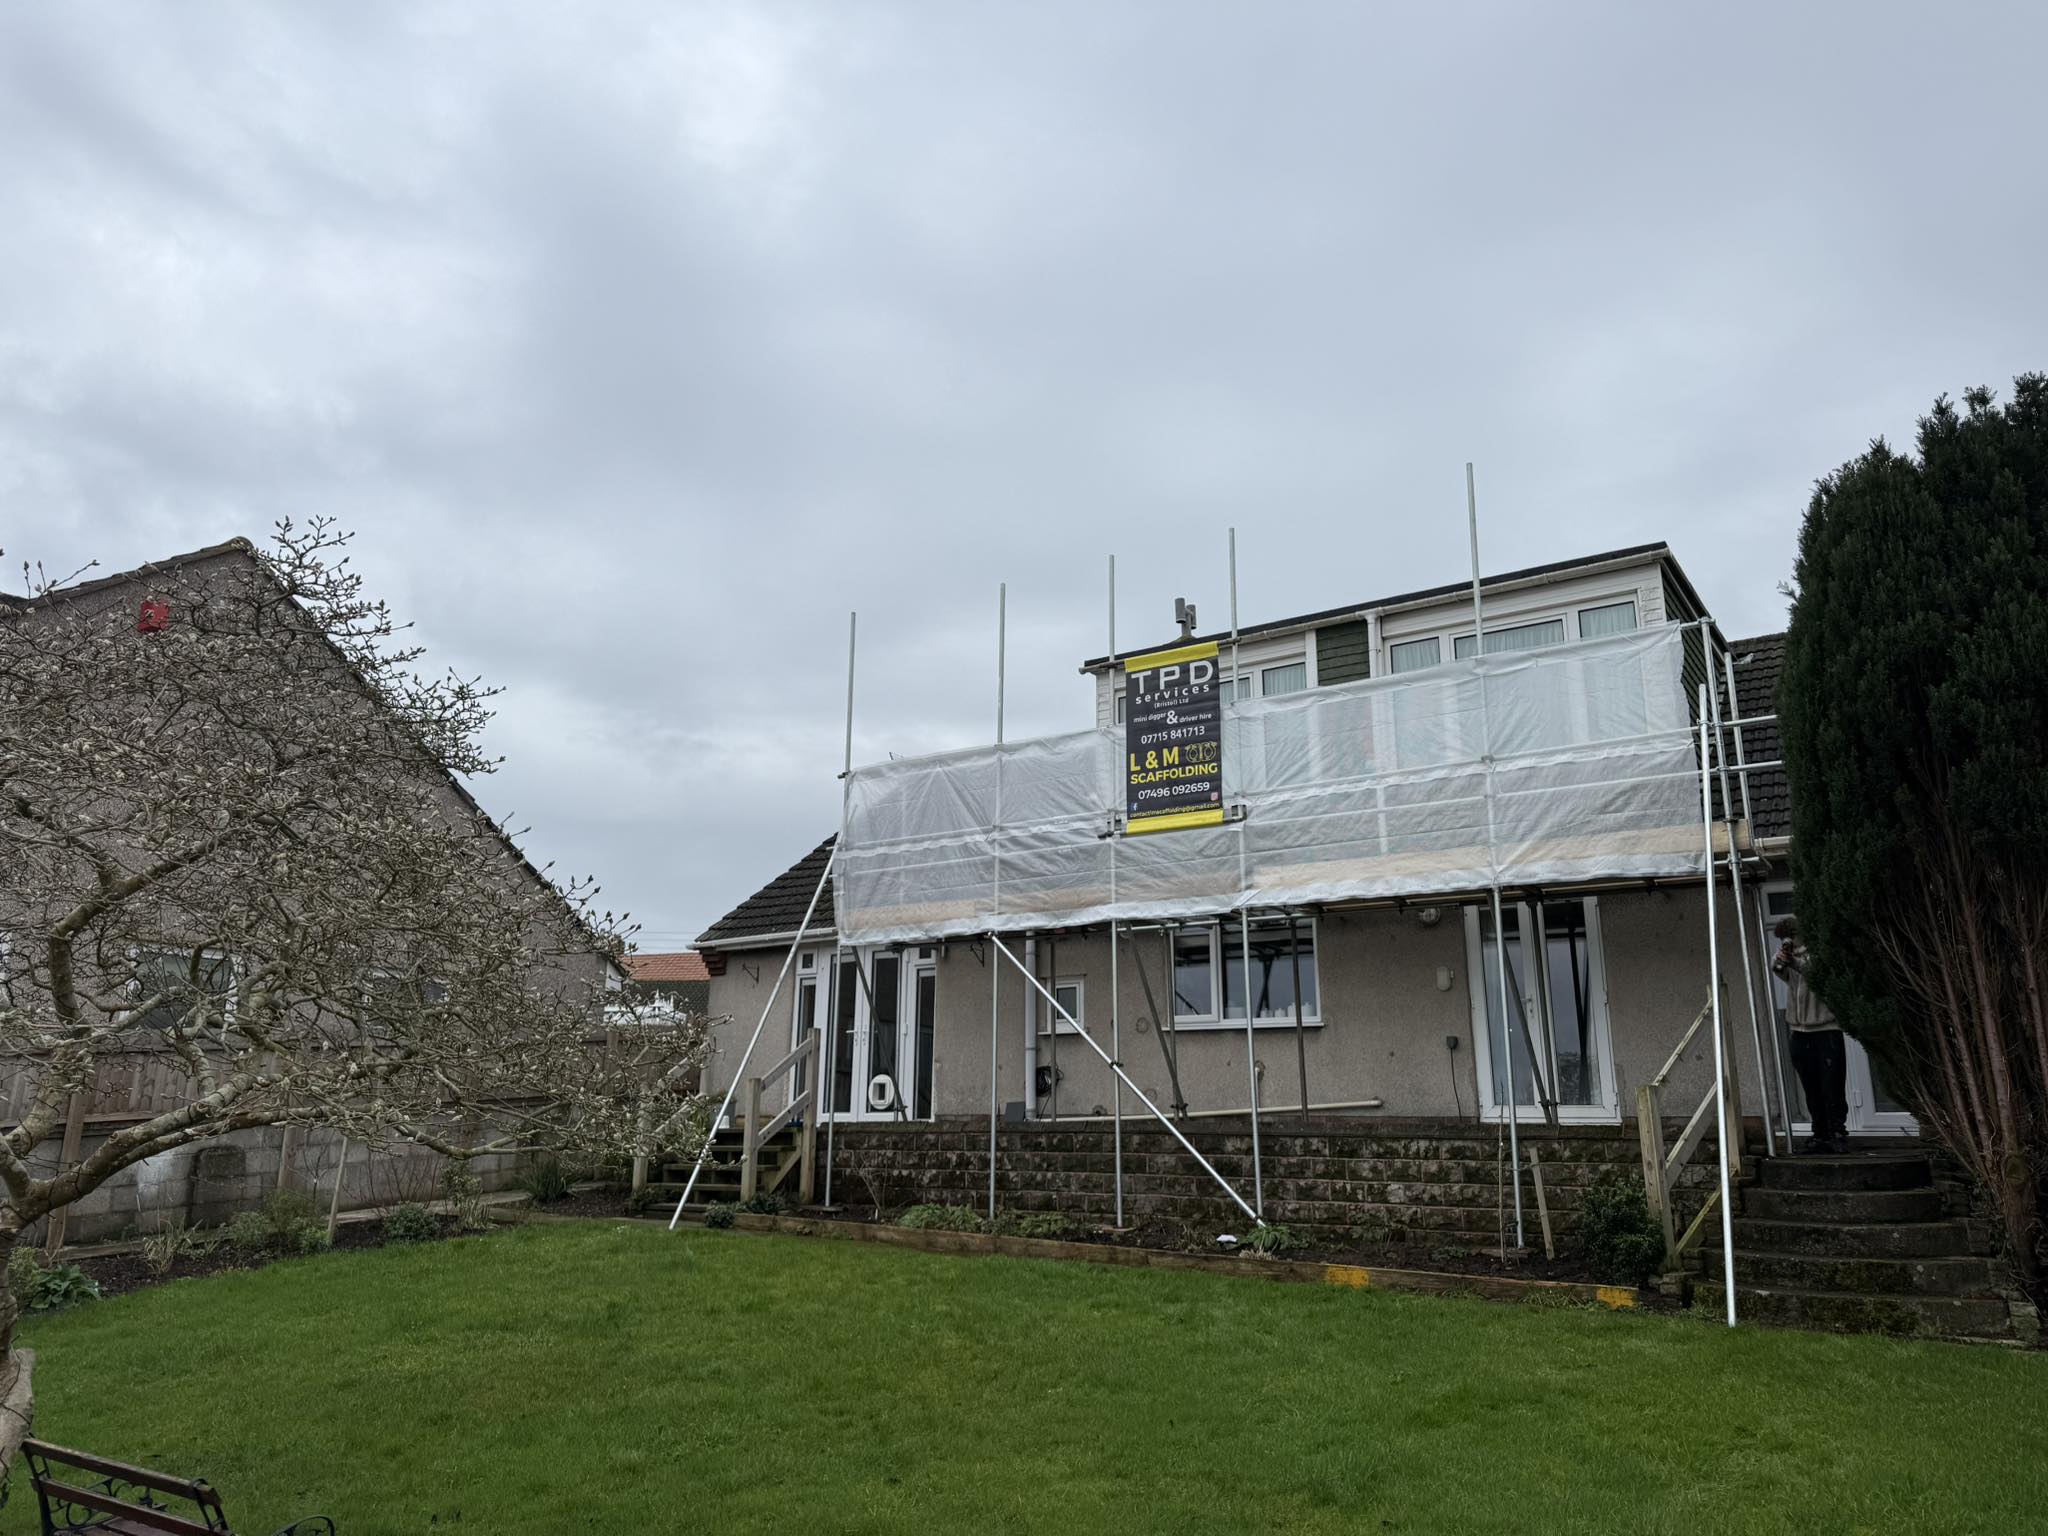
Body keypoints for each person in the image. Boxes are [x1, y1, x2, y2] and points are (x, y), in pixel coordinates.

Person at [1773, 917, 1849, 1153]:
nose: (1790, 940)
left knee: (1832, 1085)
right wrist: (1781, 960)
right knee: (1811, 1087)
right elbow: (1781, 972)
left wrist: (1794, 962)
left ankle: (1837, 1133)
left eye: (1791, 936)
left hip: (1826, 1030)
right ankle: (1820, 1133)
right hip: (1799, 1031)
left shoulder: (1821, 952)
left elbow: (1815, 972)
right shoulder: (1790, 955)